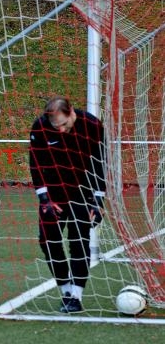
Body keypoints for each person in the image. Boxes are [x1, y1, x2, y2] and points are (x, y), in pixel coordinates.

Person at [29, 96, 106, 313]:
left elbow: (100, 163)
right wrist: (44, 198)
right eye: (56, 126)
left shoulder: (92, 125)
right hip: (53, 194)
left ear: (71, 111)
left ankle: (76, 296)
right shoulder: (41, 126)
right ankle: (65, 291)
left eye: (64, 124)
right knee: (47, 241)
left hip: (84, 192)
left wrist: (99, 201)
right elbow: (35, 163)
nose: (61, 130)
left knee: (78, 242)